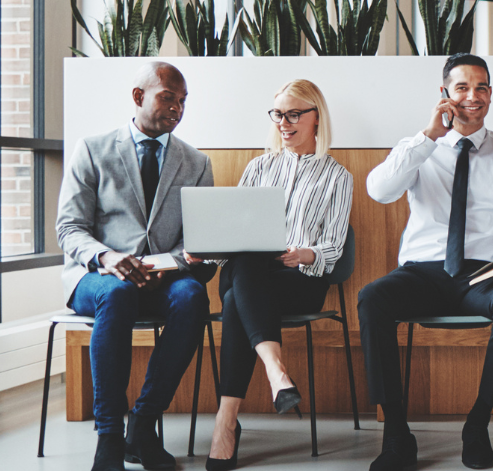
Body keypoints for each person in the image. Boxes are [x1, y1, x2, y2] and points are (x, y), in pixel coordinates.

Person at [359, 53, 493, 471]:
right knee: (372, 298)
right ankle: (396, 436)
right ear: (444, 94)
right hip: (423, 272)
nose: (472, 97)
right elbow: (379, 190)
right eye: (462, 87)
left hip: (483, 273)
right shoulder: (419, 147)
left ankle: (478, 424)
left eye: (481, 88)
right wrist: (427, 135)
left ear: (491, 95)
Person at [56, 62, 215, 471]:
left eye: (183, 102)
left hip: (164, 278)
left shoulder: (196, 163)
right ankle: (109, 437)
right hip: (97, 278)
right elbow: (69, 228)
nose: (177, 108)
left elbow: (197, 240)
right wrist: (108, 258)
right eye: (168, 97)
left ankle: (142, 427)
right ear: (138, 96)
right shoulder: (92, 149)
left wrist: (176, 262)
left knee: (193, 296)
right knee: (119, 292)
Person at [204, 80, 354, 470]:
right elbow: (232, 234)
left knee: (238, 298)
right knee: (249, 259)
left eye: (293, 114)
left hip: (299, 280)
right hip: (250, 271)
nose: (283, 123)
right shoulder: (258, 167)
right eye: (278, 115)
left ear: (316, 118)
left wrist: (305, 253)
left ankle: (226, 422)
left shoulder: (337, 176)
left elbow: (334, 247)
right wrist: (203, 248)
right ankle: (276, 372)